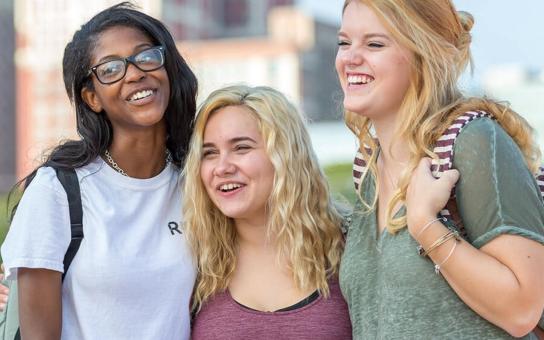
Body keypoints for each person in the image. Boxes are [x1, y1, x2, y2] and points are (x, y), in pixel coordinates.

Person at [336, 0, 544, 339]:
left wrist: (426, 226)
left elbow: (523, 308)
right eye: (344, 42)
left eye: (374, 44)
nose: (349, 58)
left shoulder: (472, 142)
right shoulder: (368, 172)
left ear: (424, 54)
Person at [0, 3, 197, 339]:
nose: (134, 73)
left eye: (146, 56)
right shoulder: (57, 191)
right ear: (92, 97)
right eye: (110, 69)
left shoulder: (195, 183)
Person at [183, 85, 352, 339]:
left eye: (241, 148)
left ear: (285, 155)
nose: (222, 167)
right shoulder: (193, 263)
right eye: (209, 153)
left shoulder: (351, 245)